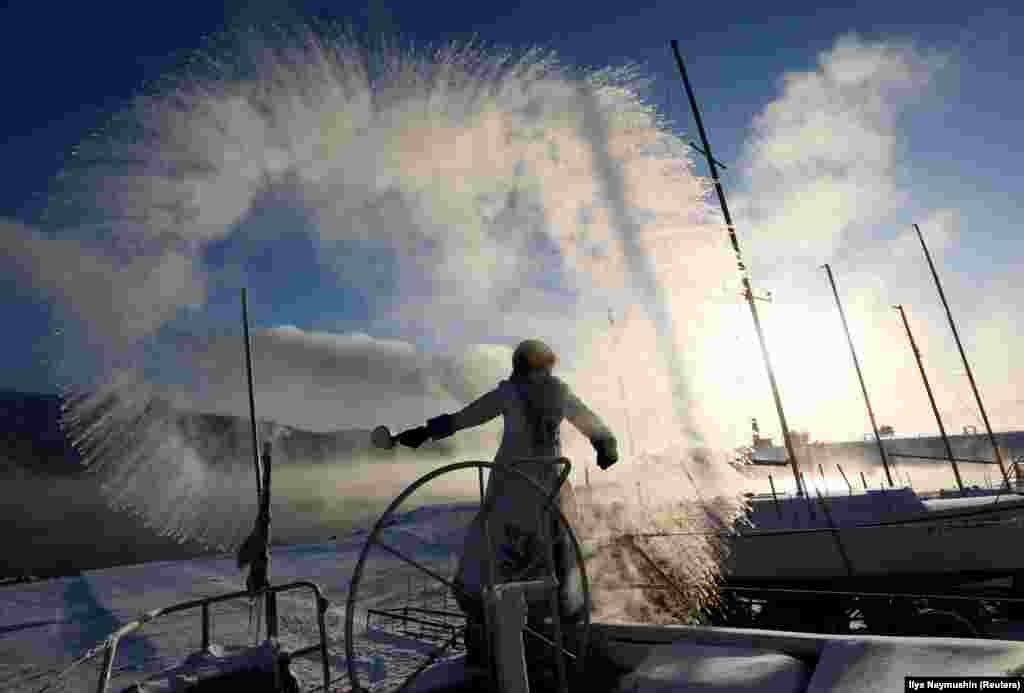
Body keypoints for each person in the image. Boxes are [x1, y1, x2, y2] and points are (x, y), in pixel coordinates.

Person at [394, 339, 618, 669]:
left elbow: (464, 418)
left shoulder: (509, 393)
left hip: (513, 488)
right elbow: (589, 420)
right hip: (549, 488)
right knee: (554, 556)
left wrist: (425, 432)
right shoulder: (558, 393)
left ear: (519, 365)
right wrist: (605, 443)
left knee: (488, 552)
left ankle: (501, 627)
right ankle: (554, 627)